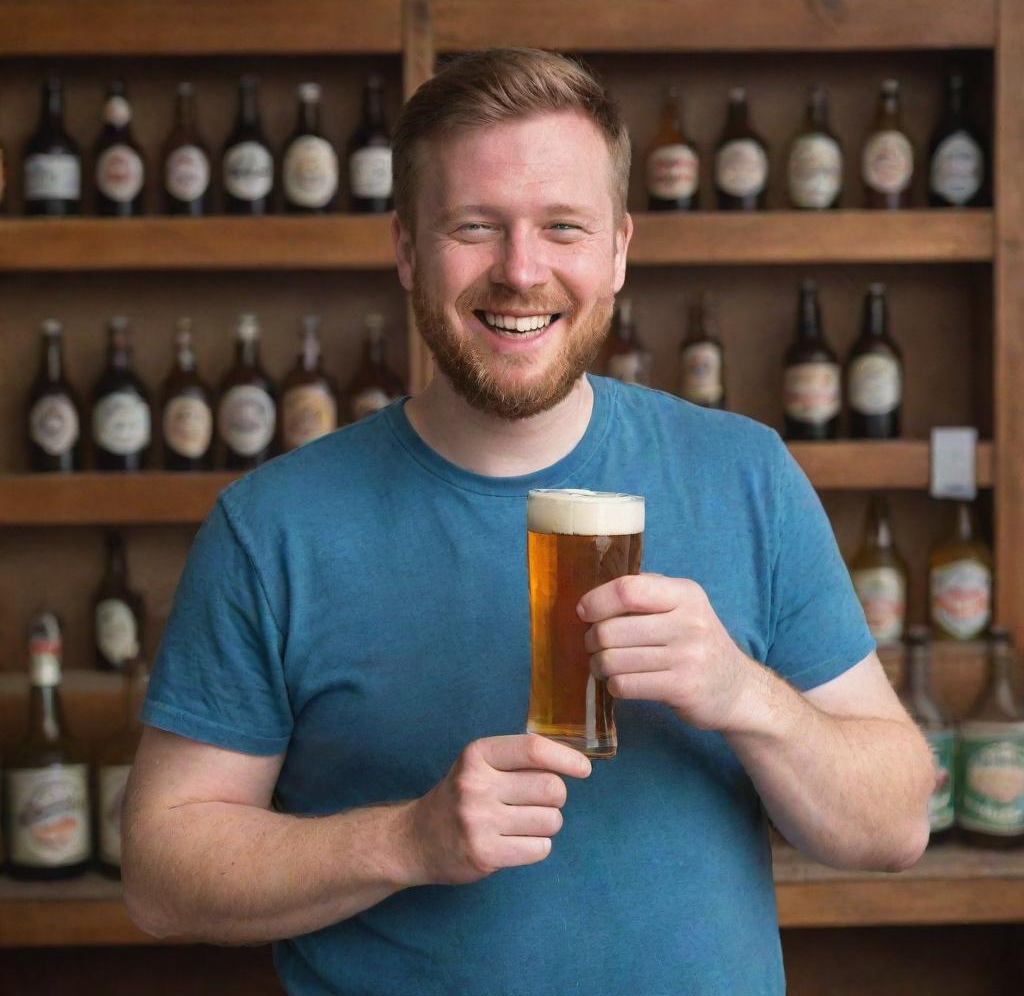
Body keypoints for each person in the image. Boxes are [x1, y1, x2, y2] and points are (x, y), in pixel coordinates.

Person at [123, 48, 934, 995]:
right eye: (476, 226)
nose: (521, 270)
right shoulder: (272, 528)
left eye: (563, 227)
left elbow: (895, 826)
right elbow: (161, 874)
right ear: (405, 248)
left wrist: (744, 695)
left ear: (619, 250)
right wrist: (405, 840)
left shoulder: (745, 474)